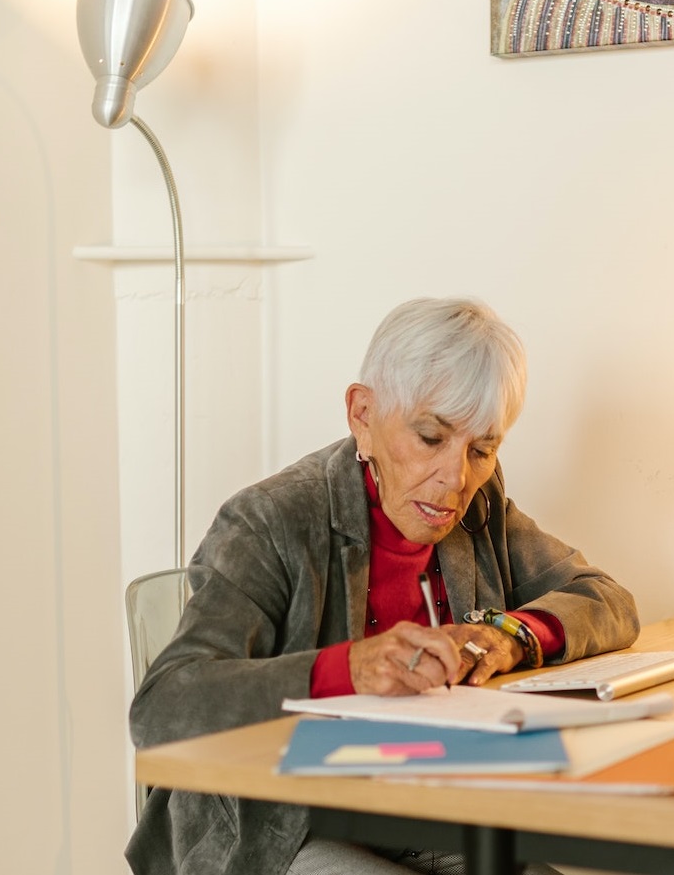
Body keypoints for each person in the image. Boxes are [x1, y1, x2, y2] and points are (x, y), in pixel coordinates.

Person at [125, 297, 641, 875]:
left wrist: (510, 634)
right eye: (429, 437)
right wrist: (351, 668)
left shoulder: (480, 501)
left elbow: (605, 598)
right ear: (362, 416)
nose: (456, 477)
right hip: (281, 828)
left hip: (427, 805)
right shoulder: (270, 520)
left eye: (482, 448)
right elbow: (163, 705)